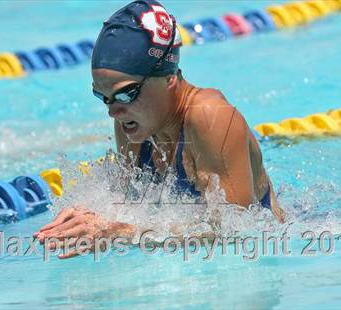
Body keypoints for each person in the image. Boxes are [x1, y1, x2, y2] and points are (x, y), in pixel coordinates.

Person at [34, 0, 284, 258]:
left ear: (169, 78)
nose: (113, 111)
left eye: (125, 94)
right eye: (103, 97)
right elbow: (128, 203)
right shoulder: (132, 122)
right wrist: (87, 216)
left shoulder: (210, 118)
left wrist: (119, 232)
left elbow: (236, 232)